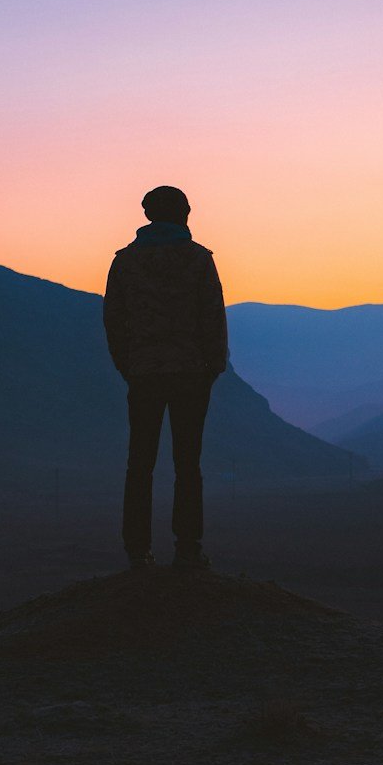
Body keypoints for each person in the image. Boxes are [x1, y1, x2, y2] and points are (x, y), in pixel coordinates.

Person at [102, 186, 228, 571]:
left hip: (144, 374)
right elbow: (212, 316)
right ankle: (188, 549)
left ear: (148, 215)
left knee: (140, 463)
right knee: (187, 463)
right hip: (191, 373)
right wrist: (213, 366)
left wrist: (128, 366)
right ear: (182, 213)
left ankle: (138, 551)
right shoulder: (198, 260)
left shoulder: (125, 262)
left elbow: (113, 320)